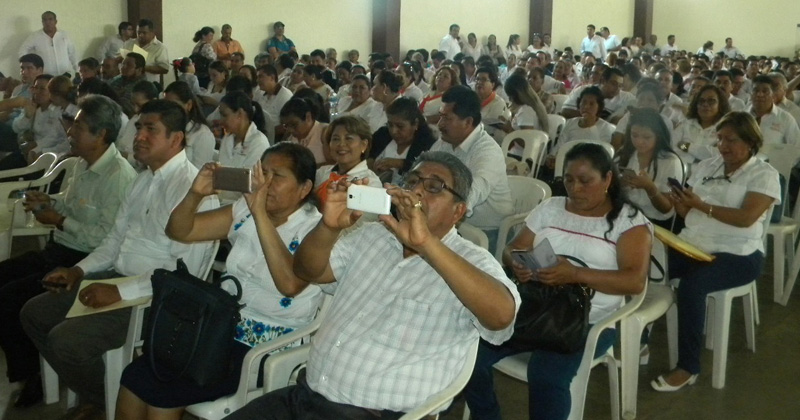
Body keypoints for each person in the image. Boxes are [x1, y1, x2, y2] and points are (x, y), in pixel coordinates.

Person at [226, 151, 519, 420]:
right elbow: (305, 271)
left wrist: (426, 244)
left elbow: (501, 316)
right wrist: (328, 227)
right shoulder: (372, 236)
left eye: (434, 187)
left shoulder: (471, 261)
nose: (416, 191)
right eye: (412, 181)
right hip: (306, 397)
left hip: (375, 414)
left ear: (458, 211)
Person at [20, 100, 218, 420]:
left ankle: (105, 401)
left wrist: (119, 292)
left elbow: (184, 277)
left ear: (176, 139)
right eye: (138, 128)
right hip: (116, 276)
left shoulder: (193, 190)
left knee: (66, 341)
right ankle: (100, 395)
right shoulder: (142, 180)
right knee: (34, 313)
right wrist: (78, 270)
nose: (139, 136)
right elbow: (114, 241)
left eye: (151, 129)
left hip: (156, 300)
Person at [115, 143, 323, 420]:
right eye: (263, 173)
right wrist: (195, 194)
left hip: (268, 345)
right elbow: (180, 230)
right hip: (218, 329)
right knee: (135, 376)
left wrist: (260, 214)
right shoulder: (245, 209)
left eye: (278, 176)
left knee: (164, 392)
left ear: (304, 188)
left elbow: (290, 285)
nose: (265, 183)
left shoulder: (315, 230)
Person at [463, 142, 650, 420]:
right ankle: (487, 415)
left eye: (585, 181)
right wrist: (519, 263)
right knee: (468, 352)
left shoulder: (628, 222)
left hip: (588, 319)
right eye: (569, 180)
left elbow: (634, 282)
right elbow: (513, 248)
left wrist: (575, 274)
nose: (575, 189)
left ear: (608, 179)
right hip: (535, 306)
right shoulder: (551, 208)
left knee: (546, 375)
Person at [0, 95, 135, 408]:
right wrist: (49, 204)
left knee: (9, 298)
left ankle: (32, 372)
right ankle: (31, 359)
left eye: (79, 127)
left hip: (85, 261)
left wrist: (59, 220)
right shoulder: (82, 164)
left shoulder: (119, 177)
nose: (70, 132)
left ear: (101, 134)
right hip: (60, 249)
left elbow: (105, 239)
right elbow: (74, 206)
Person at [651, 112, 780, 391]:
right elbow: (686, 214)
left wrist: (700, 205)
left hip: (738, 253)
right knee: (647, 265)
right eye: (720, 139)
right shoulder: (707, 166)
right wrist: (682, 202)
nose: (722, 146)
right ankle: (638, 340)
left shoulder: (764, 174)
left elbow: (746, 218)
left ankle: (688, 368)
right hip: (693, 244)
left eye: (731, 140)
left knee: (692, 287)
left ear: (750, 142)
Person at [430, 85, 513, 247]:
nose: (440, 124)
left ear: (468, 122)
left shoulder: (488, 151)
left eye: (447, 118)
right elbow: (425, 170)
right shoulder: (445, 141)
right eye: (440, 116)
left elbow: (473, 192)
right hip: (453, 223)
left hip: (488, 231)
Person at [616, 108, 683, 228]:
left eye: (647, 137)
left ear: (658, 136)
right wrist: (619, 183)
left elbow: (666, 210)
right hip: (626, 213)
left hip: (653, 221)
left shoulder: (670, 161)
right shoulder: (627, 153)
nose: (639, 142)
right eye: (634, 135)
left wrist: (649, 187)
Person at [314, 116, 382, 205]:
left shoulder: (371, 183)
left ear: (364, 145)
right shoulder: (321, 173)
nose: (341, 144)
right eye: (336, 139)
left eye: (348, 138)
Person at [370, 97, 437, 184]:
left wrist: (401, 164)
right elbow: (368, 157)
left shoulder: (426, 143)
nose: (394, 131)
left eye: (400, 126)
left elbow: (427, 169)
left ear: (415, 124)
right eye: (390, 125)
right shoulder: (382, 134)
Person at [550, 86, 616, 161]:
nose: (586, 106)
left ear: (599, 107)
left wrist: (591, 126)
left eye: (591, 104)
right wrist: (552, 157)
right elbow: (559, 146)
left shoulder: (605, 128)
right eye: (584, 102)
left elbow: (601, 155)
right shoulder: (570, 123)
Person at [163, 81, 215, 169]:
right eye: (166, 105)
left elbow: (200, 171)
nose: (169, 110)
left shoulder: (202, 134)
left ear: (189, 105)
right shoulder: (165, 128)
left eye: (174, 105)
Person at [18, 11, 78, 77]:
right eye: (44, 20)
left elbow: (72, 53)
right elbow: (22, 50)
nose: (47, 22)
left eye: (50, 19)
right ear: (42, 22)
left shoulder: (64, 35)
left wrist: (77, 70)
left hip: (64, 75)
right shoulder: (35, 36)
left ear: (55, 21)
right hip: (45, 76)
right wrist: (27, 66)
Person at [747, 75, 800, 146]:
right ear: (750, 94)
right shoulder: (741, 116)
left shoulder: (785, 119)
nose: (760, 94)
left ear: (773, 95)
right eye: (755, 91)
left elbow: (796, 147)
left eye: (765, 91)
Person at [282, 97, 329, 165]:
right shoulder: (289, 136)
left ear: (308, 117)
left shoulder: (324, 132)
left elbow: (333, 164)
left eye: (294, 125)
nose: (290, 130)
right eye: (286, 125)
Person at [120, 19, 169, 83]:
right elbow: (121, 59)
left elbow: (164, 69)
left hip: (149, 84)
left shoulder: (160, 48)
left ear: (152, 32)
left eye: (144, 33)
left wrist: (142, 67)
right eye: (138, 32)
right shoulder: (129, 43)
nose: (140, 35)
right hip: (127, 83)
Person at [255, 64, 293, 142]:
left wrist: (268, 131)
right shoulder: (259, 92)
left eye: (261, 77)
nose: (257, 80)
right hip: (259, 134)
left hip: (276, 139)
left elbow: (287, 126)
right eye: (257, 77)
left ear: (272, 77)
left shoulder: (285, 95)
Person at [474, 66, 510, 141]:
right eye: (477, 79)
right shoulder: (470, 99)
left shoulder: (498, 103)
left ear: (492, 84)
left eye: (484, 80)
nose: (479, 82)